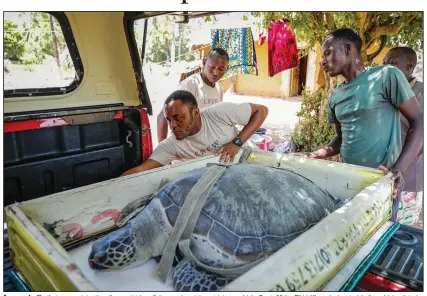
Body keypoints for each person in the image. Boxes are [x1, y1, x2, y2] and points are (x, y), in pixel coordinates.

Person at [297, 28, 423, 200]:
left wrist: (399, 169)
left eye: (327, 53)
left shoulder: (386, 76)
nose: (322, 61)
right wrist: (316, 154)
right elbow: (341, 138)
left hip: (382, 184)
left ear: (348, 49)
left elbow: (419, 120)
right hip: (347, 182)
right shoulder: (335, 95)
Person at [122, 90, 268, 176]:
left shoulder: (219, 113)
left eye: (178, 118)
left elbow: (261, 110)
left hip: (249, 163)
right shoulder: (171, 146)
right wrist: (111, 186)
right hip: (222, 177)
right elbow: (141, 170)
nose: (172, 125)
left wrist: (237, 143)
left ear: (196, 112)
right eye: (169, 119)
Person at [383, 46, 424, 224]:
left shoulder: (422, 93)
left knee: (399, 234)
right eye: (383, 63)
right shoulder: (384, 91)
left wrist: (399, 165)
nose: (385, 68)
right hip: (381, 175)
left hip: (407, 179)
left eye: (392, 63)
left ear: (409, 66)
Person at [157, 48, 229, 143]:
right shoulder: (190, 85)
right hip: (184, 144)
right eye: (212, 67)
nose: (216, 72)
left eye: (221, 69)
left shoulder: (219, 88)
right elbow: (162, 115)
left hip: (203, 143)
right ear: (204, 62)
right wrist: (162, 147)